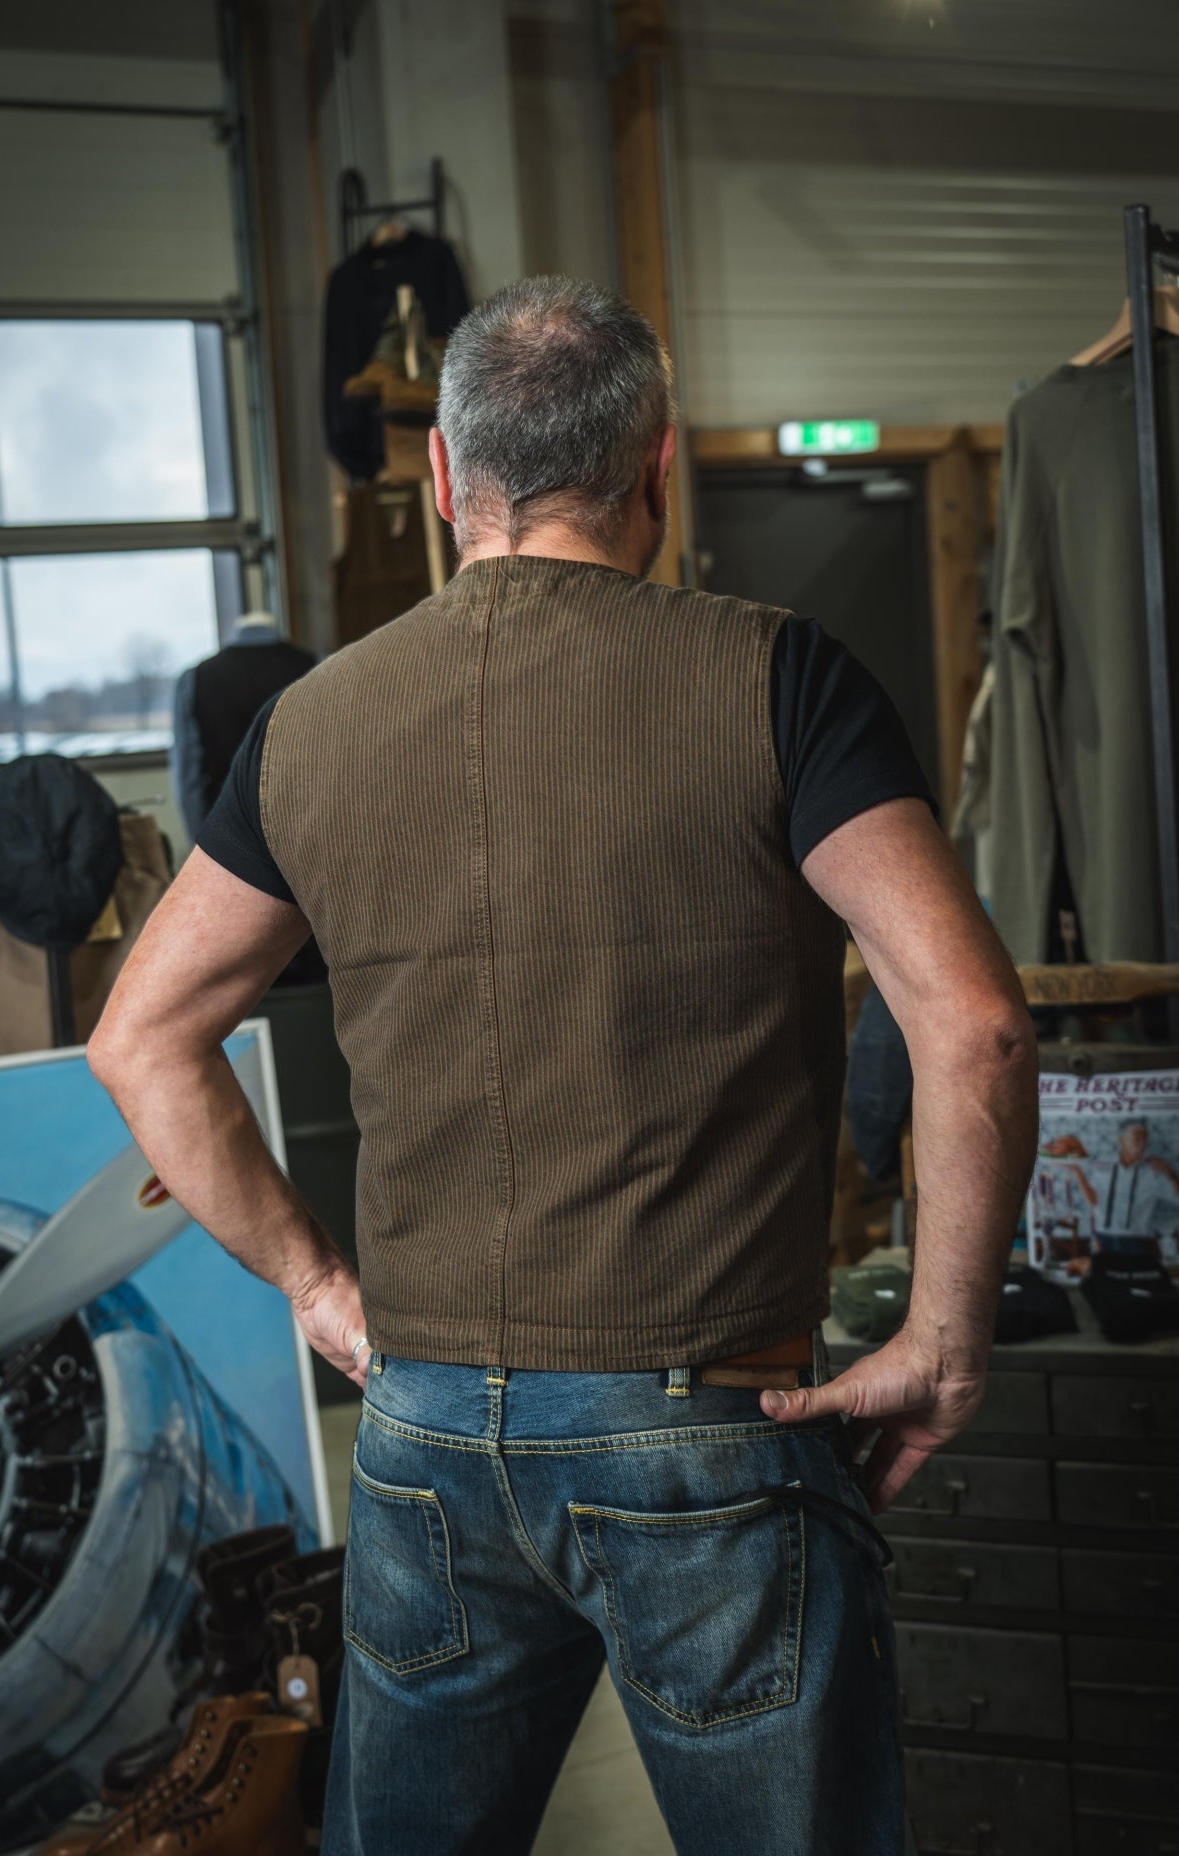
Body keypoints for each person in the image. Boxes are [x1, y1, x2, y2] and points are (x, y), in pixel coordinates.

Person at [89, 276, 1038, 1856]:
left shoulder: (310, 728)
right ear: (656, 469)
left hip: (425, 1434)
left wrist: (319, 1288)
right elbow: (979, 1024)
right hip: (714, 1426)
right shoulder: (779, 678)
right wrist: (944, 1340)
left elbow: (143, 1038)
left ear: (446, 483)